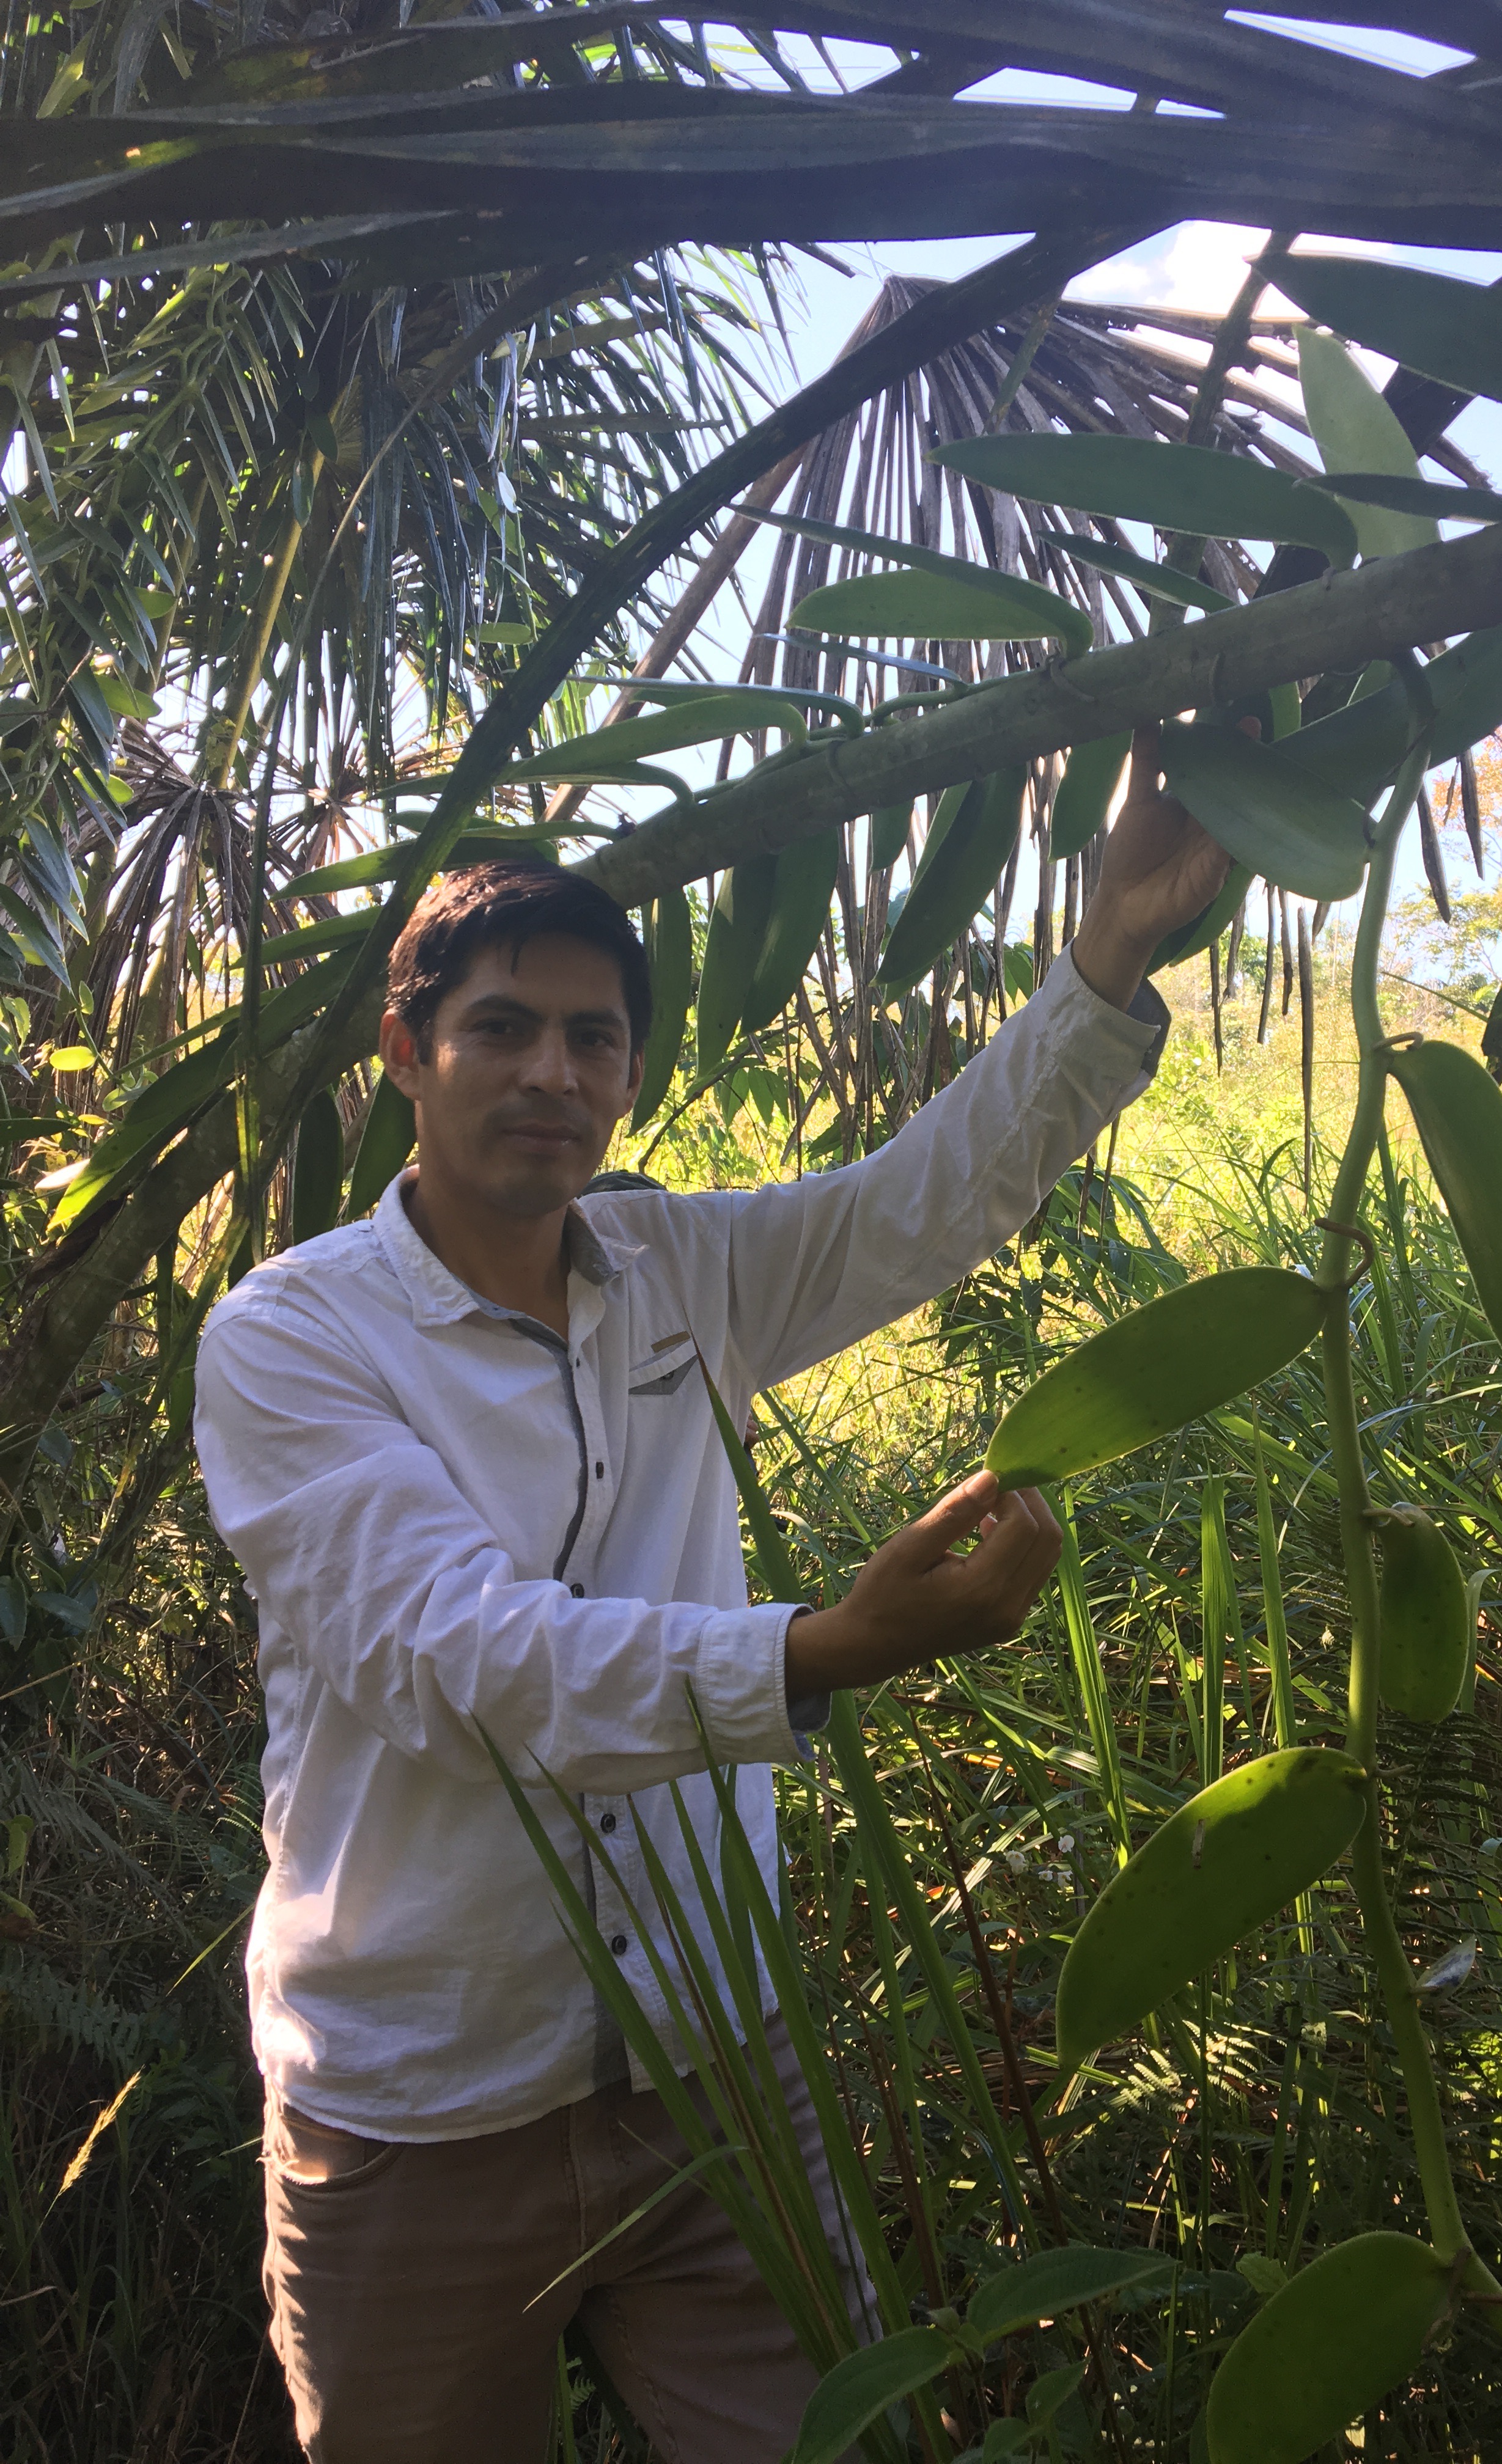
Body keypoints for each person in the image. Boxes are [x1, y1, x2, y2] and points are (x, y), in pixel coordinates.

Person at [193, 726, 1224, 2463]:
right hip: (423, 2105)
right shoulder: (294, 1338)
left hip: (710, 2063)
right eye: (501, 1028)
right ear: (408, 1053)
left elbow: (924, 1202)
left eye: (592, 1038)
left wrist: (1109, 947)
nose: (550, 1072)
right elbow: (462, 1666)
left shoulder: (680, 1268)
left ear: (627, 1075)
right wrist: (826, 1652)